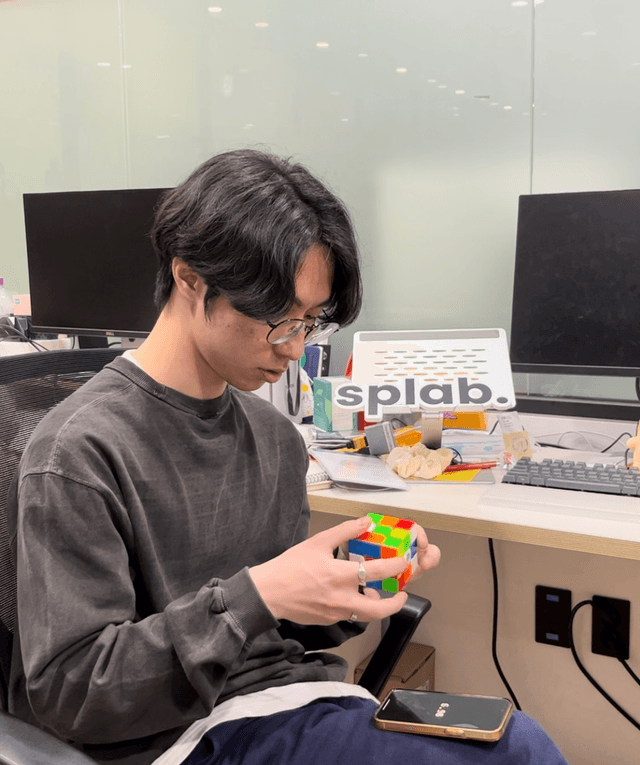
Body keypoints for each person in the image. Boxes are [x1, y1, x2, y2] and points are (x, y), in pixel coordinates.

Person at [7, 149, 568, 765]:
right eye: (280, 320)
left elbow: (275, 627)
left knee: (514, 744)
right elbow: (72, 692)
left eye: (310, 321)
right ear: (191, 278)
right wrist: (259, 595)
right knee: (521, 754)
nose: (296, 349)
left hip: (294, 705)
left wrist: (349, 582)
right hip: (185, 739)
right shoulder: (78, 452)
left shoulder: (272, 435)